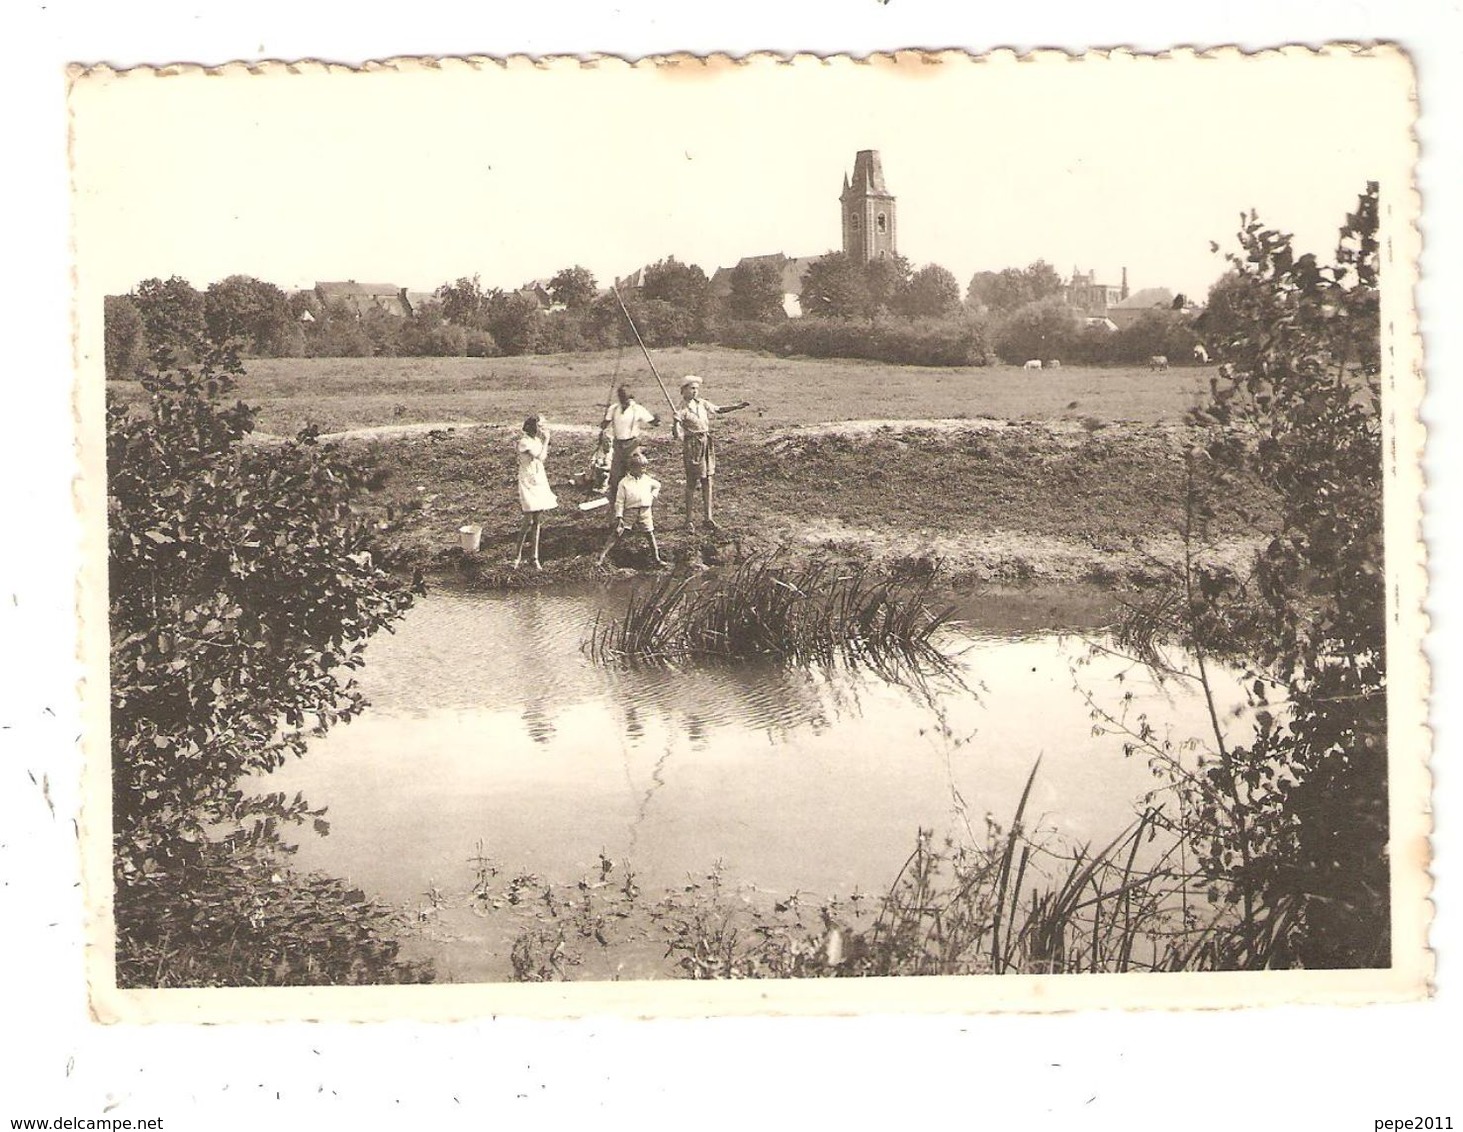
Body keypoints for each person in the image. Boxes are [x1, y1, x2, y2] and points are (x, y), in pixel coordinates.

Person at [671, 374, 748, 532]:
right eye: (692, 388)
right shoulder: (681, 409)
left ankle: (708, 518)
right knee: (692, 482)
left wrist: (737, 406)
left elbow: (718, 410)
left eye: (696, 389)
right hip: (692, 445)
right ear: (683, 390)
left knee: (708, 480)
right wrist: (675, 426)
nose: (695, 391)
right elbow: (676, 431)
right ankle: (688, 520)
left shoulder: (702, 403)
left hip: (706, 442)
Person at [596, 448, 668, 568]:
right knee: (618, 532)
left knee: (650, 534)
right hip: (630, 511)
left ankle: (656, 558)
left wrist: (652, 496)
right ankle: (601, 556)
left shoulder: (647, 480)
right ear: (633, 468)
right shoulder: (624, 483)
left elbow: (657, 485)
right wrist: (619, 516)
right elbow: (619, 501)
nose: (644, 470)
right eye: (641, 468)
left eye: (645, 467)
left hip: (645, 511)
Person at [601, 384, 658, 512]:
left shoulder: (637, 409)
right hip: (618, 445)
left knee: (635, 475)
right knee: (616, 478)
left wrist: (656, 419)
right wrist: (603, 423)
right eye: (620, 396)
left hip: (632, 445)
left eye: (625, 396)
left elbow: (653, 422)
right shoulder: (614, 408)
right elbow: (605, 423)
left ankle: (638, 506)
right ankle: (616, 509)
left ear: (630, 397)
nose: (622, 399)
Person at [513, 414, 558, 570]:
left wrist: (543, 441)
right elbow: (541, 457)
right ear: (534, 427)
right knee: (528, 520)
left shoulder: (536, 441)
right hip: (527, 481)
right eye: (541, 426)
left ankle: (534, 557)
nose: (543, 429)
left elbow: (540, 458)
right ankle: (517, 556)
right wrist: (546, 441)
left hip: (538, 479)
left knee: (537, 519)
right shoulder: (524, 442)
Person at [588, 430, 613, 495]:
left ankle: (604, 486)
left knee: (605, 474)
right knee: (599, 462)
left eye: (610, 442)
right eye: (605, 442)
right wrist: (593, 463)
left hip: (609, 471)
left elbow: (614, 466)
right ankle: (596, 484)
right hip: (599, 468)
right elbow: (593, 458)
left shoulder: (613, 453)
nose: (608, 444)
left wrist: (604, 468)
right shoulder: (599, 450)